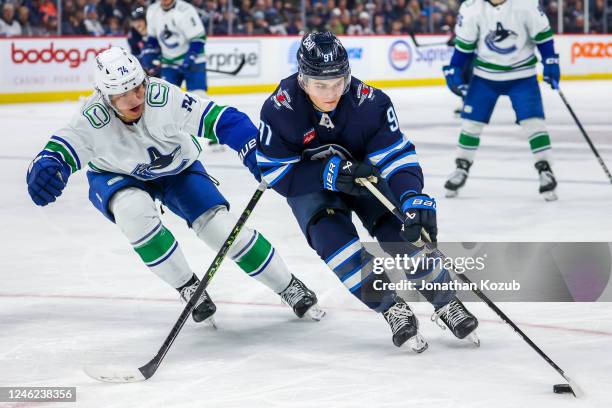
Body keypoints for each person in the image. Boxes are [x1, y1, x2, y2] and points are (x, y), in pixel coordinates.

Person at [26, 47, 324, 328]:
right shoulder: (91, 119)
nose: (135, 98)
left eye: (138, 86)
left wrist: (251, 148)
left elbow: (223, 119)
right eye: (123, 93)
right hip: (116, 174)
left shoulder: (162, 96)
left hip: (177, 168)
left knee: (221, 230)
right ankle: (188, 286)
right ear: (104, 97)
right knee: (133, 212)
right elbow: (55, 152)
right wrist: (45, 169)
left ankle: (288, 286)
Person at [257, 32, 479, 351]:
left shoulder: (370, 102)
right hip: (311, 185)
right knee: (333, 241)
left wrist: (412, 197)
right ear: (303, 80)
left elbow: (396, 156)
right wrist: (327, 173)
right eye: (321, 85)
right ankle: (391, 307)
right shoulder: (280, 109)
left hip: (363, 175)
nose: (331, 93)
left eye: (337, 82)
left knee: (401, 231)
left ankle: (445, 301)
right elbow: (277, 172)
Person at [442, 0, 560, 201]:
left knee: (533, 122)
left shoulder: (526, 4)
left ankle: (545, 169)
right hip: (485, 76)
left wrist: (551, 61)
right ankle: (461, 167)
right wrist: (454, 68)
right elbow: (464, 46)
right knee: (471, 123)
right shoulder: (471, 8)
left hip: (522, 75)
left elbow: (543, 36)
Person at [142, 0, 208, 98]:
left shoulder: (185, 10)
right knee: (166, 98)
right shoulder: (152, 11)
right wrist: (149, 53)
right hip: (169, 61)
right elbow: (153, 38)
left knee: (199, 97)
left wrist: (191, 56)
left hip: (193, 60)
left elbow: (199, 38)